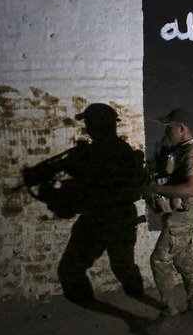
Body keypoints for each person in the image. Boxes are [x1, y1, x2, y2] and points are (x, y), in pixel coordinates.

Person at [24, 103, 146, 303]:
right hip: (122, 216)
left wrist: (47, 186)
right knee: (124, 266)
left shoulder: (96, 152)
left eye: (89, 122)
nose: (86, 126)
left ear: (98, 124)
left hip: (100, 218)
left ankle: (92, 305)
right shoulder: (120, 148)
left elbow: (81, 185)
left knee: (71, 268)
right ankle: (146, 304)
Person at [143, 108, 193, 335]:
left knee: (159, 260)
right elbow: (172, 174)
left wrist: (157, 188)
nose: (167, 131)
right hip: (178, 215)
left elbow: (192, 188)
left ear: (181, 127)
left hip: (181, 218)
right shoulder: (178, 151)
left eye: (170, 126)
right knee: (182, 258)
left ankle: (170, 313)